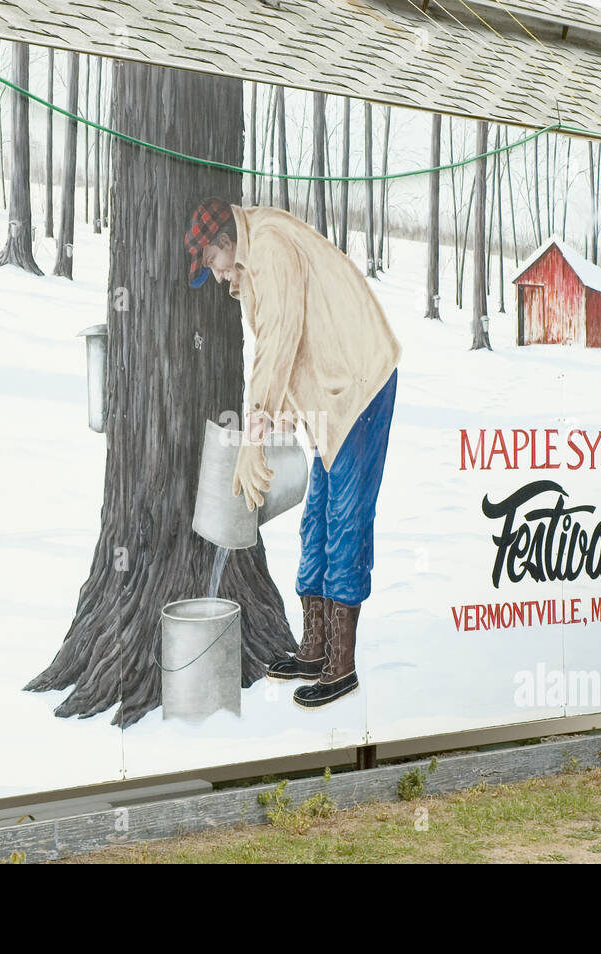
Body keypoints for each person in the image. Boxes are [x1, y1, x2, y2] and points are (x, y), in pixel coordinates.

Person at [185, 196, 401, 709]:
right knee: (318, 517)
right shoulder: (253, 259)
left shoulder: (272, 249)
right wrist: (273, 423)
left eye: (214, 266)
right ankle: (315, 647)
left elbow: (279, 342)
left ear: (223, 243)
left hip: (359, 384)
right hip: (329, 392)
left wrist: (253, 438)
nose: (218, 279)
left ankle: (340, 664)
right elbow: (283, 349)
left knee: (346, 518)